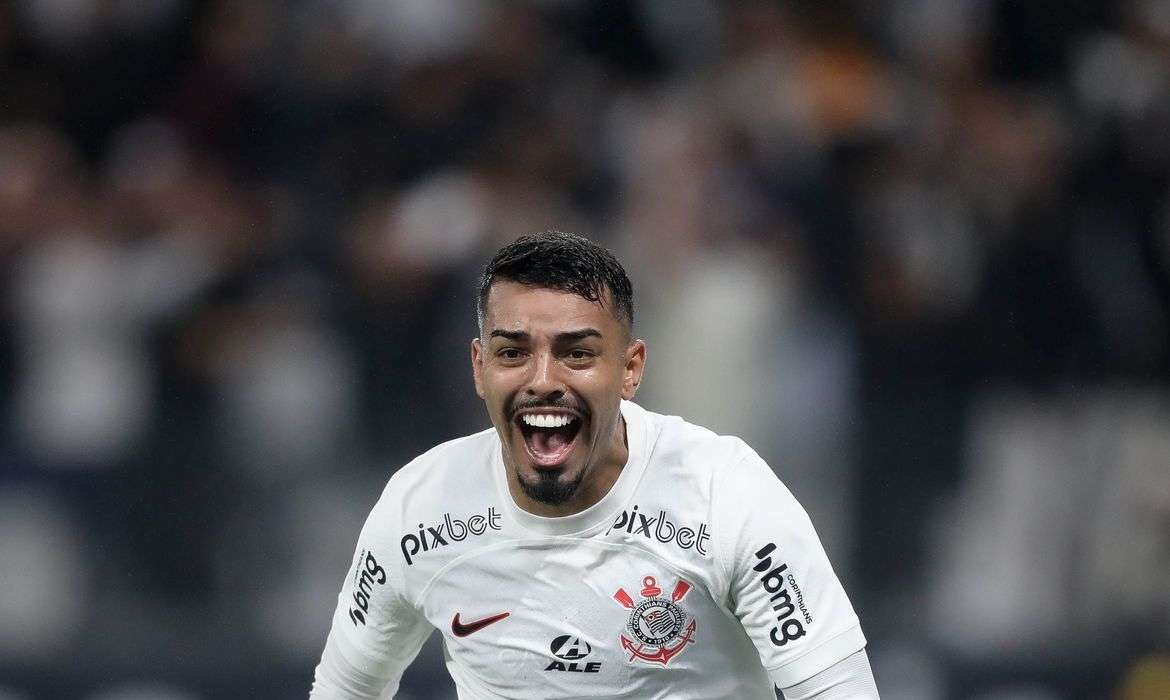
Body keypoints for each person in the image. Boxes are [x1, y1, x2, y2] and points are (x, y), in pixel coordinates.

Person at [310, 231, 879, 699]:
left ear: (631, 369)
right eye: (513, 353)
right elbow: (345, 690)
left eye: (576, 353)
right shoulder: (420, 508)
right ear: (479, 368)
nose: (542, 380)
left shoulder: (725, 496)